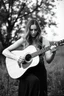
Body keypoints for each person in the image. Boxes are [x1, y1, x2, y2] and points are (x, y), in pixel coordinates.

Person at [2, 19, 56, 96]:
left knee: (40, 91)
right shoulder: (25, 39)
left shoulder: (44, 40)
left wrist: (53, 52)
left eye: (35, 30)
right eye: (31, 30)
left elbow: (48, 60)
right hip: (26, 70)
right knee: (31, 84)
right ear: (28, 30)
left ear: (38, 30)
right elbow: (5, 51)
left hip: (40, 70)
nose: (33, 32)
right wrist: (17, 58)